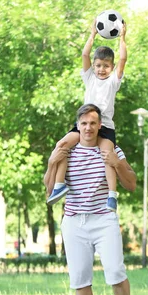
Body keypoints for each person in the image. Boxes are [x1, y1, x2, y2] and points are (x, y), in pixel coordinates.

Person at [44, 103, 141, 295]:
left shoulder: (111, 149)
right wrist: (51, 163)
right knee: (79, 278)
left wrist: (117, 163)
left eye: (93, 123)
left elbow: (131, 184)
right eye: (84, 123)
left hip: (103, 218)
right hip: (74, 221)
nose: (88, 128)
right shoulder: (66, 151)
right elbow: (49, 192)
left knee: (116, 271)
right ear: (78, 125)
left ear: (100, 126)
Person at [47, 16, 128, 211]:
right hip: (86, 124)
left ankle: (111, 195)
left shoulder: (113, 82)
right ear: (93, 66)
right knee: (62, 145)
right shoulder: (89, 77)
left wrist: (123, 38)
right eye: (98, 65)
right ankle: (59, 185)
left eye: (106, 66)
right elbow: (84, 55)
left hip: (105, 125)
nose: (102, 69)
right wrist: (92, 34)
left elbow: (123, 59)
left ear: (112, 67)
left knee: (107, 154)